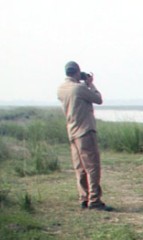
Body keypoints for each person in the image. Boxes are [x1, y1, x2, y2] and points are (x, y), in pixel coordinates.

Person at [57, 61, 111, 211]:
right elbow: (98, 99)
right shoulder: (79, 88)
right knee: (92, 166)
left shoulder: (61, 89)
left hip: (72, 131)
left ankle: (83, 197)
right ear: (77, 72)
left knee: (79, 167)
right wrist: (90, 84)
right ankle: (94, 200)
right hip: (85, 131)